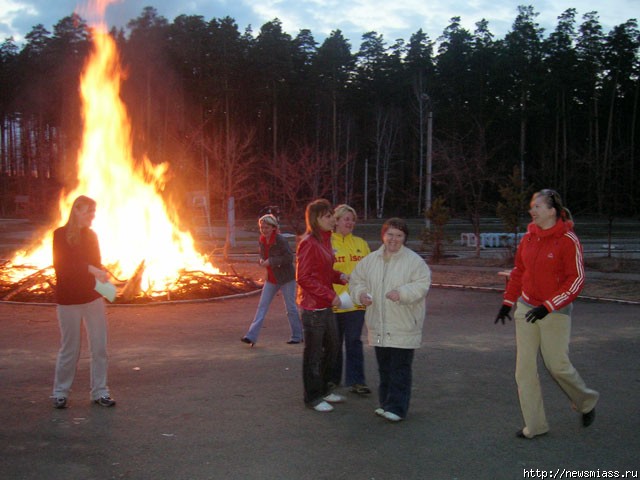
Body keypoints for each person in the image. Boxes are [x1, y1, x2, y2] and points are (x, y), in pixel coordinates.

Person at [495, 188, 599, 439]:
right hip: (527, 308)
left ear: (552, 211)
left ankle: (586, 401)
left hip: (555, 311)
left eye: (537, 207)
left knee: (557, 365)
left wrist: (549, 306)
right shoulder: (529, 237)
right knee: (524, 370)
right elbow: (520, 270)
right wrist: (508, 302)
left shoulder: (567, 239)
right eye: (532, 206)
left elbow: (576, 280)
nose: (532, 211)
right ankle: (536, 425)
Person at [349, 218, 431, 422]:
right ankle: (385, 403)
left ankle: (397, 407)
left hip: (403, 323)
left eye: (399, 235)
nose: (394, 239)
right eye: (390, 234)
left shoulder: (414, 262)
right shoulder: (370, 260)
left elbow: (422, 285)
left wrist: (402, 293)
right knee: (384, 367)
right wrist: (360, 294)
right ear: (383, 235)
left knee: (400, 368)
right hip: (378, 323)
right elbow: (356, 280)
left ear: (405, 238)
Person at [51, 195, 116, 409]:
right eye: (88, 211)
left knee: (99, 347)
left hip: (92, 298)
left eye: (93, 211)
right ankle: (60, 392)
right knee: (71, 347)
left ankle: (100, 391)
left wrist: (102, 274)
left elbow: (95, 263)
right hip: (68, 300)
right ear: (76, 210)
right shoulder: (59, 235)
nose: (92, 216)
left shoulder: (92, 236)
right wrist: (90, 268)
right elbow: (62, 267)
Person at [296, 199, 347, 412]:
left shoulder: (325, 240)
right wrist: (330, 295)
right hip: (313, 308)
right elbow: (304, 277)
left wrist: (340, 276)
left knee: (333, 348)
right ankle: (313, 396)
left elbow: (323, 272)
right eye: (328, 216)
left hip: (324, 304)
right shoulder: (308, 242)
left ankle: (325, 389)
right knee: (314, 354)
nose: (333, 220)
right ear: (316, 219)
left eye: (332, 216)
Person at [241, 214, 302, 346]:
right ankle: (251, 336)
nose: (264, 229)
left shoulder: (280, 240)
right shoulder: (262, 240)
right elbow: (263, 255)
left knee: (290, 307)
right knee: (262, 307)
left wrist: (272, 261)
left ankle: (297, 335)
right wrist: (262, 260)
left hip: (286, 278)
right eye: (262, 227)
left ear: (273, 228)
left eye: (267, 227)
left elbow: (289, 257)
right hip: (271, 279)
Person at [330, 204, 371, 394]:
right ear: (336, 220)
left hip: (355, 300)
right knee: (333, 342)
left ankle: (357, 381)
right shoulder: (327, 243)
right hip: (334, 300)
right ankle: (332, 379)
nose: (350, 223)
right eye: (346, 219)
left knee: (354, 340)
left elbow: (370, 270)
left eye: (352, 220)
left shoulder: (361, 244)